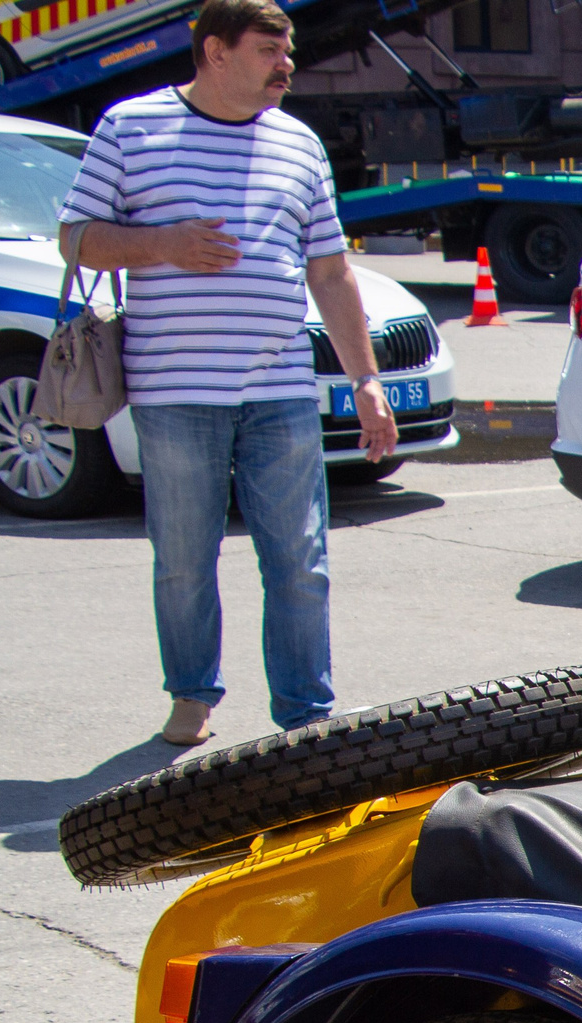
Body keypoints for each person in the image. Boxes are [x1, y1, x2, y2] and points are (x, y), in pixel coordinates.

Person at [57, 0, 396, 748]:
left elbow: (331, 272)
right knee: (183, 561)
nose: (287, 64)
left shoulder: (299, 143)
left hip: (280, 392)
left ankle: (306, 715)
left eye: (289, 50)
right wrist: (163, 244)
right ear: (214, 51)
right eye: (269, 50)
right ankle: (191, 696)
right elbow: (75, 239)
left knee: (300, 562)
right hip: (175, 395)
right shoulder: (131, 128)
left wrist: (365, 380)